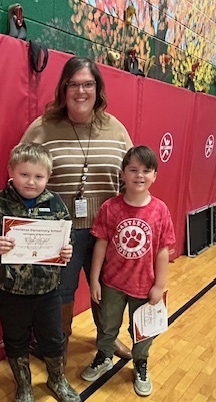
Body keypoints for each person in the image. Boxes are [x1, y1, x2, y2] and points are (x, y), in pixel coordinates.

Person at [20, 56, 134, 360]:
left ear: (98, 89)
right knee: (61, 292)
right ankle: (59, 342)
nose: (81, 91)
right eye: (74, 84)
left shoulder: (116, 129)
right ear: (63, 88)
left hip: (106, 230)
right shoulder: (43, 128)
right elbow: (23, 174)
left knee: (107, 287)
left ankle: (107, 339)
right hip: (60, 228)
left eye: (88, 84)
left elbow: (129, 178)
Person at [0, 143, 81, 402]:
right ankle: (24, 387)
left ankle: (57, 380)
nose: (31, 182)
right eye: (24, 174)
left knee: (53, 338)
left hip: (47, 290)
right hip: (10, 290)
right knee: (16, 340)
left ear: (48, 177)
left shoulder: (55, 202)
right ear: (11, 171)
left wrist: (67, 248)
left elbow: (68, 235)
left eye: (38, 177)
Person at [80, 146, 175, 396]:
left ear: (155, 175)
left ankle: (141, 362)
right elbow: (100, 244)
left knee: (143, 331)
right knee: (108, 325)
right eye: (133, 169)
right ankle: (104, 356)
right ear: (122, 174)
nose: (139, 175)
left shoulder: (160, 210)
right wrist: (94, 280)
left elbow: (163, 250)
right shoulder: (110, 208)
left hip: (144, 287)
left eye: (146, 170)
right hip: (112, 283)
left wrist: (159, 285)